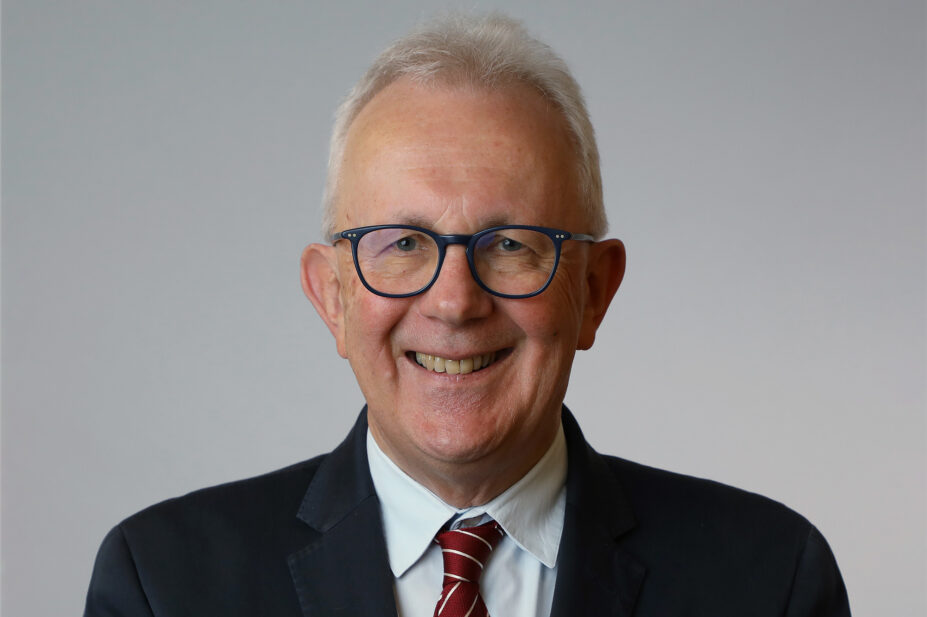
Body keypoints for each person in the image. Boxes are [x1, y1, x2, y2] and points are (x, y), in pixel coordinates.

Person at [84, 13, 850, 617]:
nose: (454, 302)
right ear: (332, 297)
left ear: (593, 291)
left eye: (511, 244)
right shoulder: (164, 582)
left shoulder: (767, 579)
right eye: (404, 243)